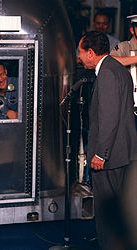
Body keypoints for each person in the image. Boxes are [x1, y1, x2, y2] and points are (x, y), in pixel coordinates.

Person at [78, 31, 136, 250]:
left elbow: (109, 118)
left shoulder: (107, 74)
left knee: (107, 211)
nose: (80, 57)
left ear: (91, 53)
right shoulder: (118, 69)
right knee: (122, 212)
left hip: (110, 156)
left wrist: (101, 153)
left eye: (81, 52)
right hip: (123, 152)